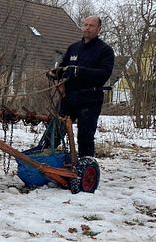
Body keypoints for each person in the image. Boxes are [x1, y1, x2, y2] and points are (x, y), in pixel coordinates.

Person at [49, 15, 115, 158]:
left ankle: (85, 168)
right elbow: (62, 68)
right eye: (85, 25)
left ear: (99, 29)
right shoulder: (73, 48)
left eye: (91, 26)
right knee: (55, 131)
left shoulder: (105, 50)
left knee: (85, 136)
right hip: (69, 98)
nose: (87, 28)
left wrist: (79, 71)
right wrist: (56, 75)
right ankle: (45, 160)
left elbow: (104, 74)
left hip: (90, 99)